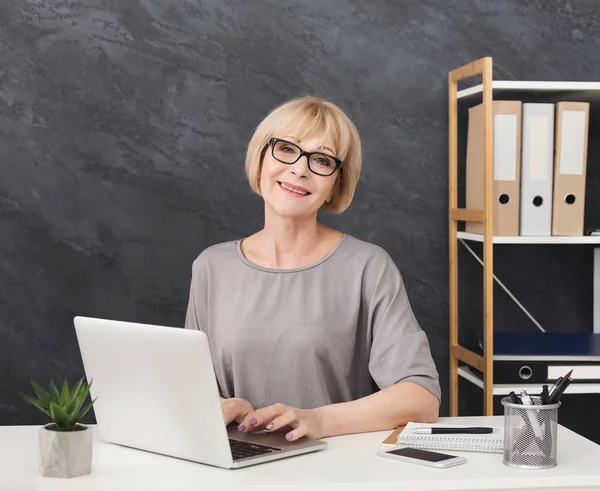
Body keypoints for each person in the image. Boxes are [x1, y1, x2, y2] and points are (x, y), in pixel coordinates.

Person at [184, 95, 440, 443]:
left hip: (335, 471)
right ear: (261, 159)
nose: (300, 169)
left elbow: (421, 399)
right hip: (236, 467)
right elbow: (191, 393)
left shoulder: (368, 266)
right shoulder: (211, 267)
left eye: (321, 159)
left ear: (336, 184)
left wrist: (317, 420)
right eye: (286, 149)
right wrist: (229, 406)